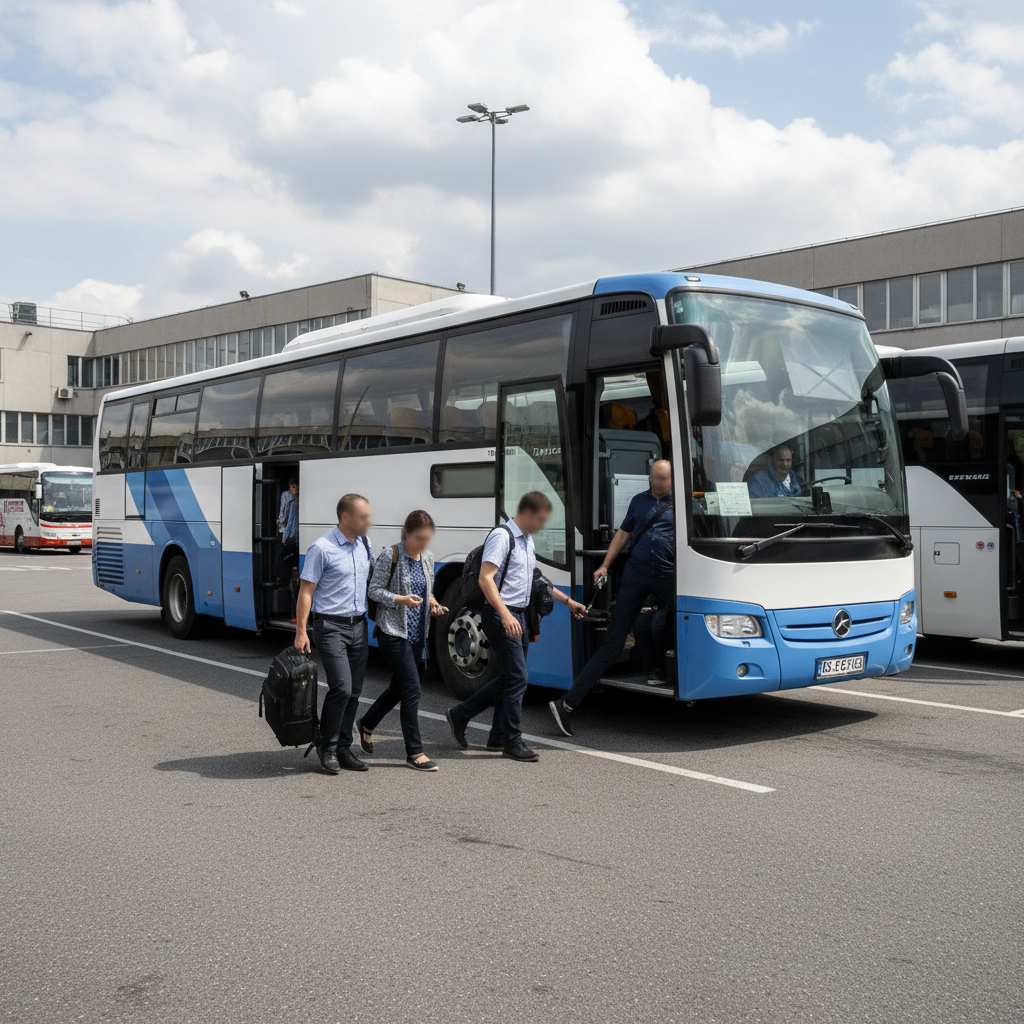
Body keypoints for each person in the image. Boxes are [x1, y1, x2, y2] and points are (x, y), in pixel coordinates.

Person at [445, 491, 586, 762]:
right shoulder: (502, 537)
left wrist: (569, 602)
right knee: (519, 677)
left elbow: (537, 580)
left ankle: (482, 727)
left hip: (519, 616)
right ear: (528, 513)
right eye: (540, 520)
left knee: (510, 676)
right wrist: (505, 614)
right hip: (501, 616)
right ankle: (512, 739)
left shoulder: (527, 541)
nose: (541, 526)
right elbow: (486, 579)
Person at [548, 459, 675, 737]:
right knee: (613, 644)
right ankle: (567, 704)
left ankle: (662, 670)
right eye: (654, 478)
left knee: (679, 618)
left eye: (663, 479)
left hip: (668, 576)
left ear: (672, 479)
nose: (657, 484)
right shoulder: (639, 501)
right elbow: (622, 534)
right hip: (636, 575)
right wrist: (605, 564)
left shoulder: (681, 504)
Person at [358, 510, 448, 772]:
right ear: (406, 534)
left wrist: (434, 604)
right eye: (419, 538)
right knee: (412, 689)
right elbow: (374, 591)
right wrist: (400, 599)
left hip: (418, 632)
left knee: (399, 688)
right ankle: (414, 752)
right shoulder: (391, 555)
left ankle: (366, 723)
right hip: (392, 631)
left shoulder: (427, 558)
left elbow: (426, 591)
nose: (422, 544)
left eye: (427, 539)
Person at [293, 493, 373, 775]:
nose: (369, 521)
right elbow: (306, 591)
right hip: (331, 627)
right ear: (345, 518)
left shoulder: (365, 543)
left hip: (359, 626)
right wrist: (301, 631)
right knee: (342, 687)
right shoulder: (322, 548)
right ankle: (327, 747)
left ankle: (343, 747)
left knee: (355, 692)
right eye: (363, 517)